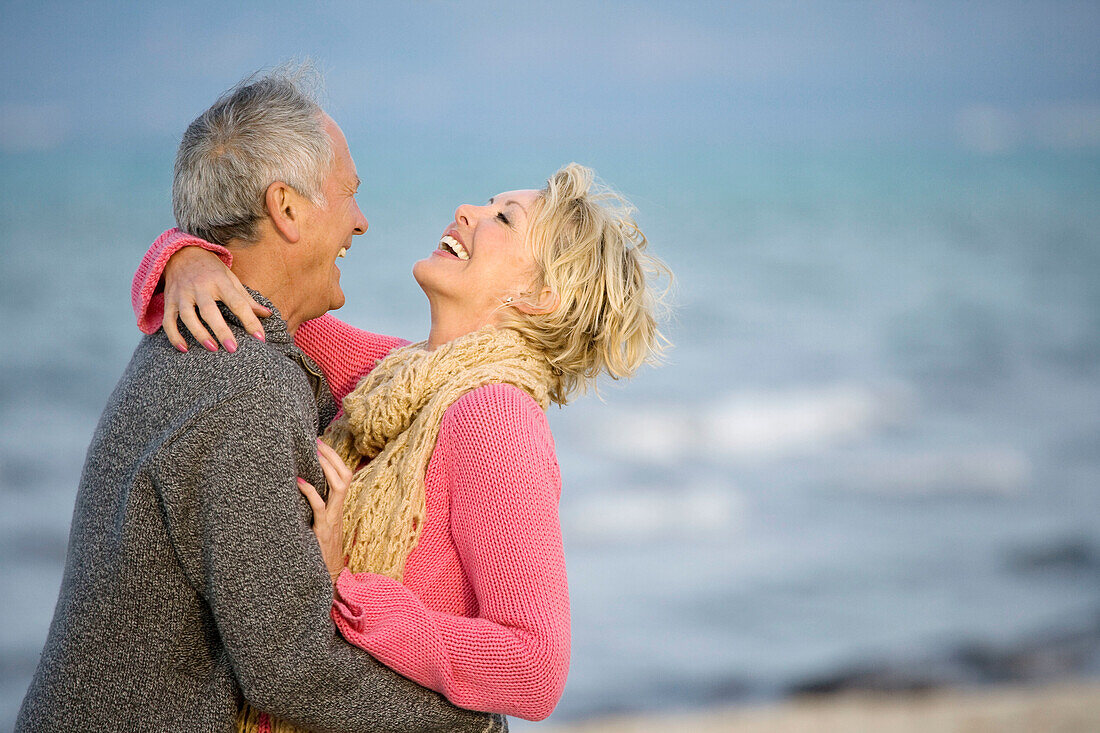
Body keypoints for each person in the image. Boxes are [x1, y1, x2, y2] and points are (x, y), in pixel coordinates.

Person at [16, 68, 503, 732]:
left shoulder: (196, 341)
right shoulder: (246, 384)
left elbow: (408, 375)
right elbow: (289, 663)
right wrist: (470, 724)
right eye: (349, 195)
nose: (360, 222)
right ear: (287, 208)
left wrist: (180, 253)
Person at [132, 162, 670, 729]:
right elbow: (264, 298)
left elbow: (534, 669)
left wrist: (345, 589)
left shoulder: (499, 417)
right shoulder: (394, 378)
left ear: (539, 296)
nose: (468, 210)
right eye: (487, 203)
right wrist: (185, 257)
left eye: (503, 219)